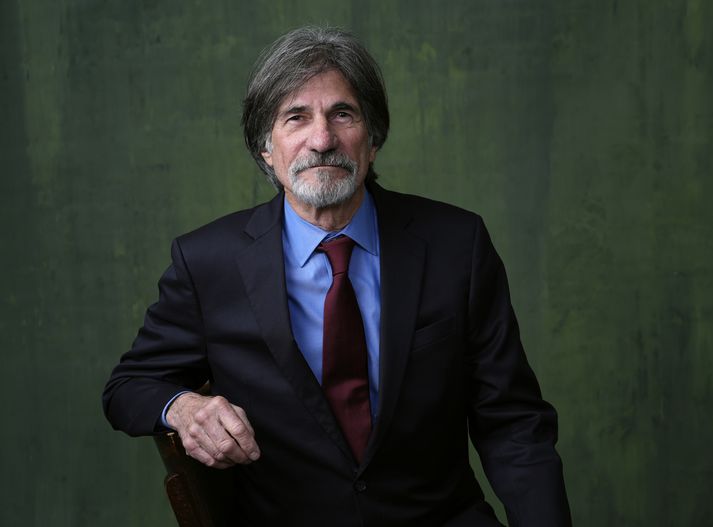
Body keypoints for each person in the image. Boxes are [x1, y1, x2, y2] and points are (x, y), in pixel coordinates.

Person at [103, 26, 572, 527]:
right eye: (296, 118)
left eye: (342, 114)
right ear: (267, 148)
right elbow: (129, 386)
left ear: (373, 139)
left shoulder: (457, 245)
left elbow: (513, 422)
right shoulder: (207, 262)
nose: (322, 139)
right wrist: (183, 407)